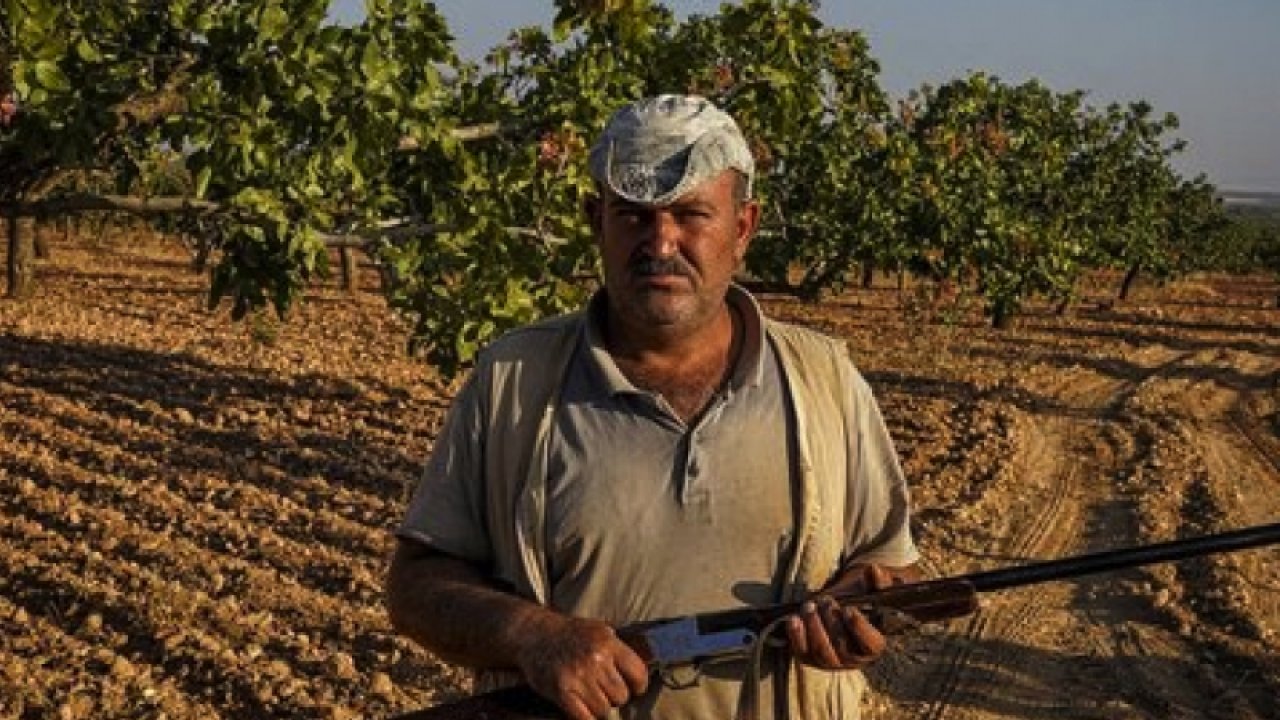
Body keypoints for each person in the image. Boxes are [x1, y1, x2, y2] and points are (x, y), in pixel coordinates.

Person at [386, 94, 922, 720]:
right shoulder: (512, 381)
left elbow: (895, 572)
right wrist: (532, 635)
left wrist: (863, 615)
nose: (661, 242)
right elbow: (415, 586)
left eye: (691, 214)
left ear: (743, 227)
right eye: (634, 216)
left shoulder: (823, 379)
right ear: (596, 221)